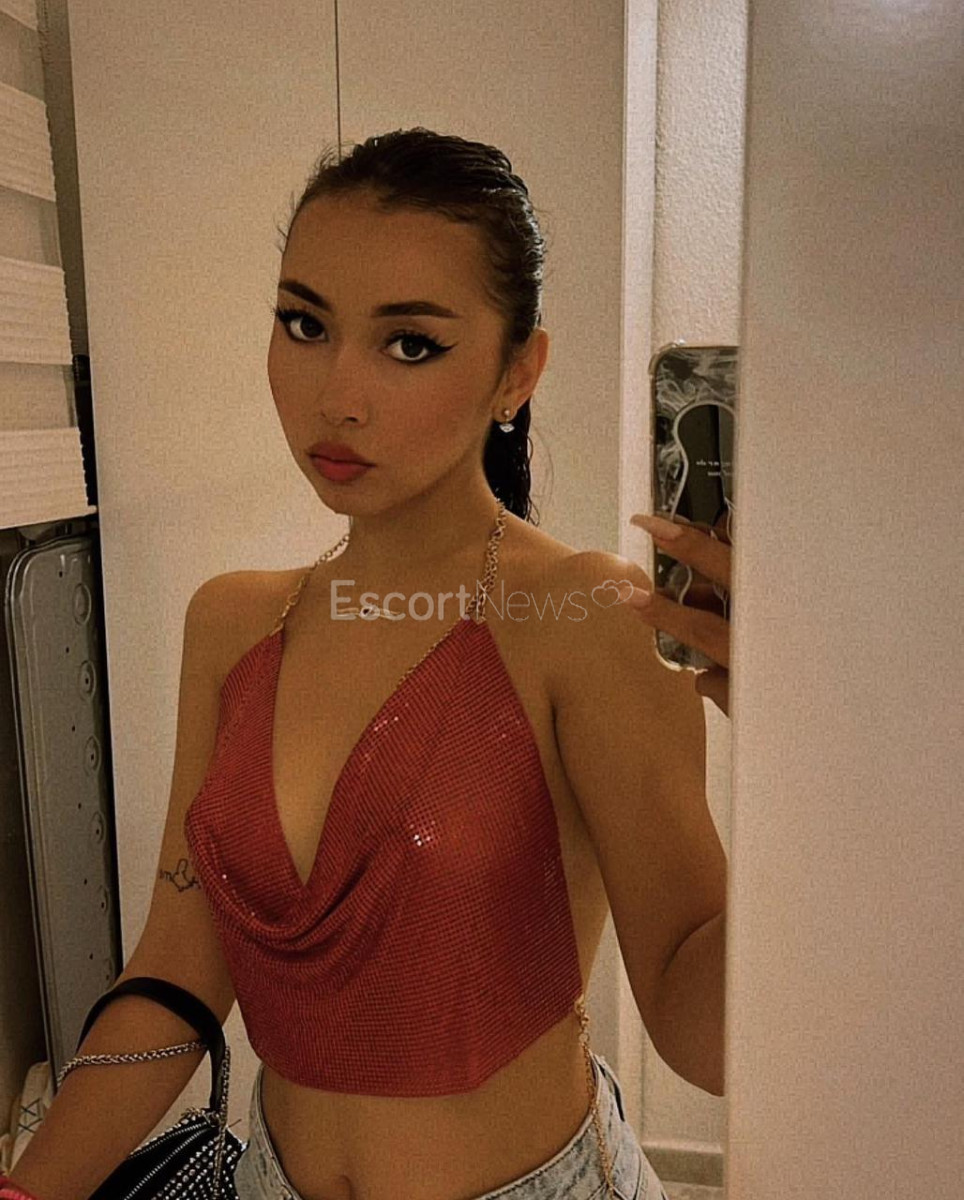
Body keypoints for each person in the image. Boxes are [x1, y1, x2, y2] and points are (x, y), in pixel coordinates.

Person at [2, 128, 730, 1200]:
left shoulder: (586, 616)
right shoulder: (232, 622)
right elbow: (177, 971)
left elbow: (702, 1032)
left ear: (517, 371)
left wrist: (818, 749)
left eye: (410, 344)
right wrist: (29, 1187)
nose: (335, 395)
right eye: (304, 324)